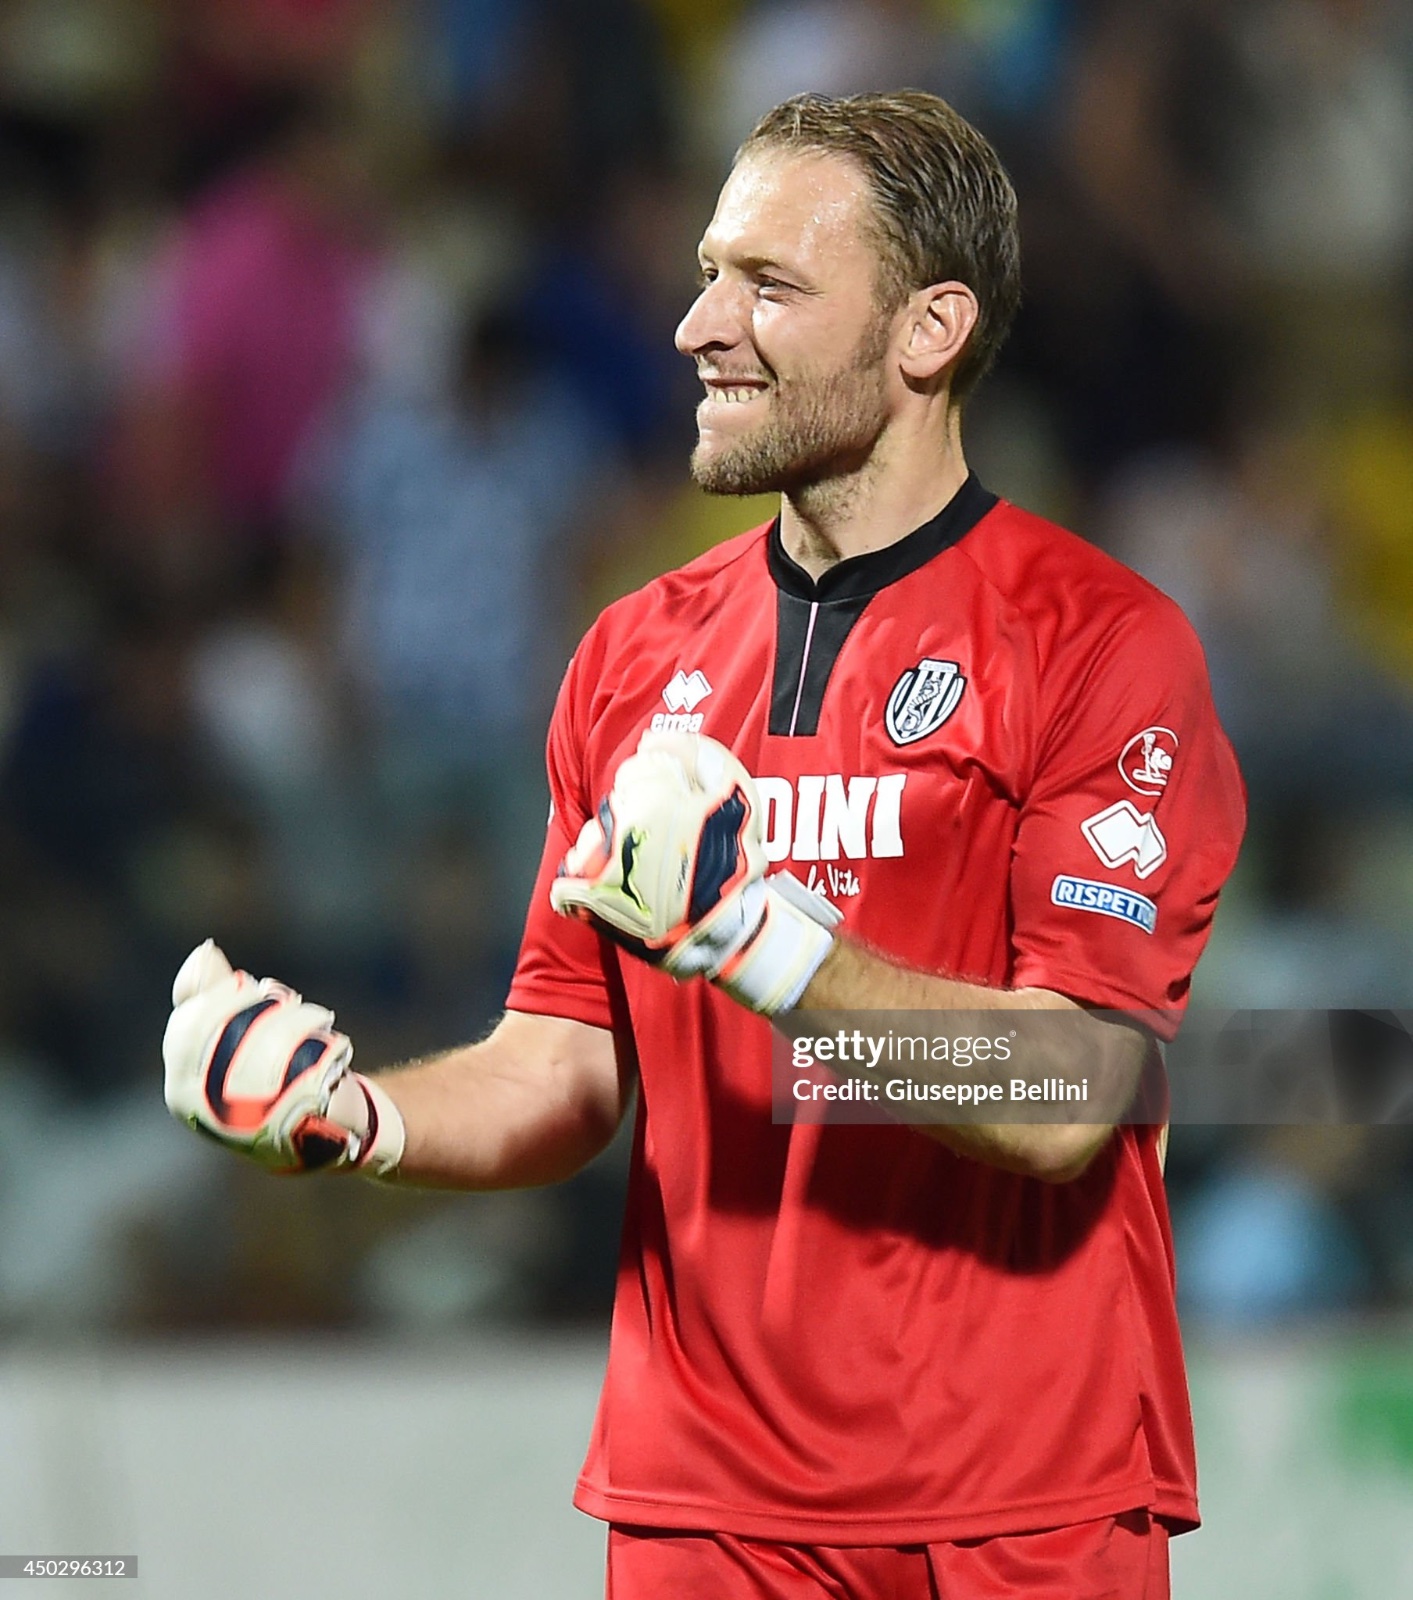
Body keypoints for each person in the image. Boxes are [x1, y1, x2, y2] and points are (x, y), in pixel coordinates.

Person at [163, 91, 1246, 1598]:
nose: (695, 326)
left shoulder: (1100, 647)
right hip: (701, 1508)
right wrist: (356, 1119)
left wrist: (761, 937)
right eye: (704, 271)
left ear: (928, 331)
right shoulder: (628, 655)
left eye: (769, 285)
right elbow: (563, 1062)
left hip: (1014, 1503)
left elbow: (1074, 1089)